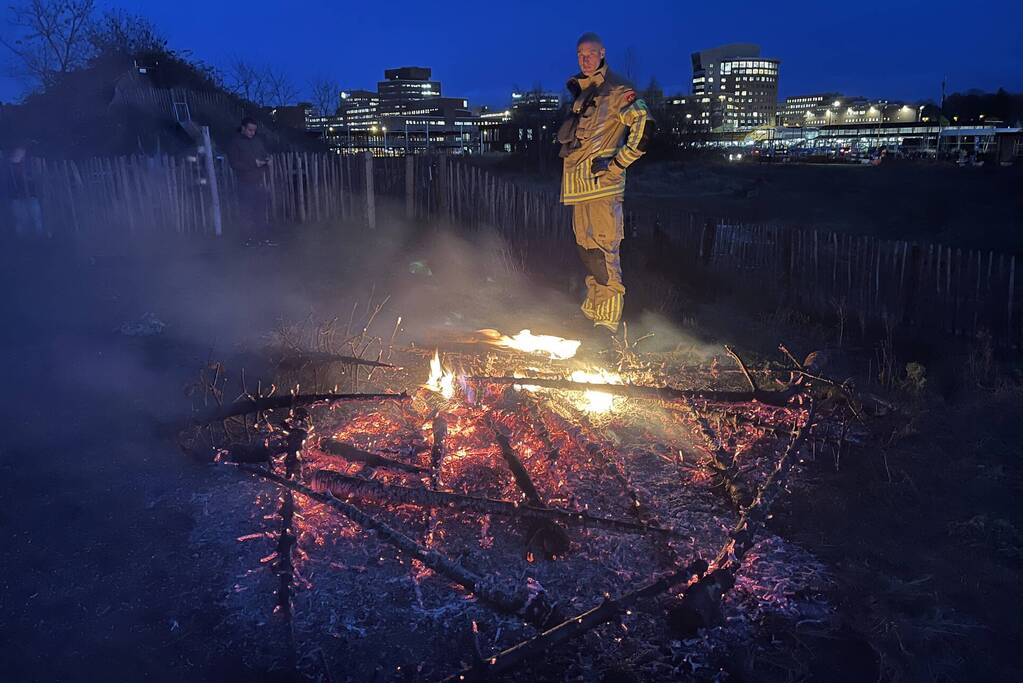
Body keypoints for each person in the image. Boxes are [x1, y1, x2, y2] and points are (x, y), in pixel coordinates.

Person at [558, 32, 654, 333]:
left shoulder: (617, 90)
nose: (584, 59)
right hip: (579, 186)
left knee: (605, 250)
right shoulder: (585, 92)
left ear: (602, 53)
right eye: (579, 54)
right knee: (588, 251)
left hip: (603, 185)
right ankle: (595, 313)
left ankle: (608, 323)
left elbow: (644, 125)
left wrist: (617, 164)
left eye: (590, 53)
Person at [227, 116, 272, 240]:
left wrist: (267, 159)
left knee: (261, 212)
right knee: (246, 213)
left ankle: (262, 238)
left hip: (259, 182)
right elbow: (234, 163)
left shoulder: (257, 141)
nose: (252, 133)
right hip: (245, 184)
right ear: (243, 128)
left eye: (254, 130)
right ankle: (247, 240)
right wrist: (253, 163)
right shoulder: (235, 143)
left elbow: (263, 154)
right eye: (250, 130)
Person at [2, 142, 44, 238]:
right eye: (18, 151)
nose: (20, 153)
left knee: (36, 219)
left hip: (32, 196)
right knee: (21, 219)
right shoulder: (8, 167)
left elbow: (36, 179)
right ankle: (23, 240)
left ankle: (39, 239)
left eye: (22, 151)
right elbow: (7, 182)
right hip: (16, 197)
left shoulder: (30, 165)